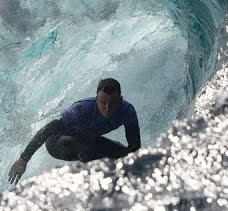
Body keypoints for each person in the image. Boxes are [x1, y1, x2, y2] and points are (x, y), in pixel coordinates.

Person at [8, 78, 140, 184]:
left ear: (121, 99)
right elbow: (48, 130)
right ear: (96, 100)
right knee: (88, 149)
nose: (107, 108)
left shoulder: (127, 111)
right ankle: (92, 185)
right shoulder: (81, 110)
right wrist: (23, 159)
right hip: (57, 142)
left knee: (125, 155)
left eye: (113, 103)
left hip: (89, 141)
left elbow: (135, 146)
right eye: (102, 102)